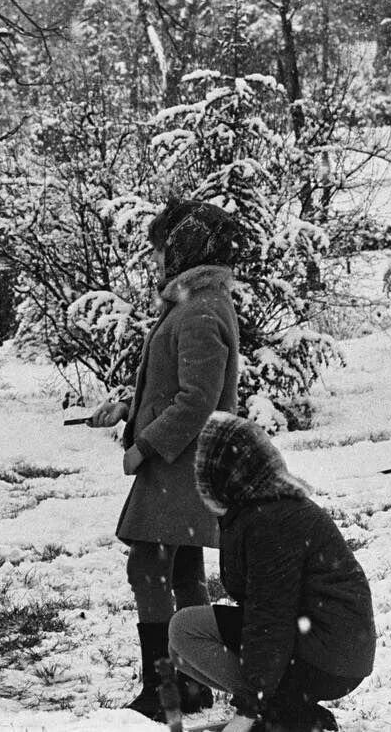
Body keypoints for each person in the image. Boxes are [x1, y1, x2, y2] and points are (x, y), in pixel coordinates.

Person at [89, 199, 240, 720]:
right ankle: (191, 682)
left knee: (148, 568)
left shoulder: (199, 311)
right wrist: (128, 407)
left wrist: (145, 445)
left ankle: (164, 688)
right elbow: (178, 387)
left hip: (179, 465)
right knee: (183, 570)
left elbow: (197, 400)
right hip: (188, 466)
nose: (154, 261)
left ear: (183, 249)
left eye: (160, 250)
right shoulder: (197, 305)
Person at [170, 412, 376, 732]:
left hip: (330, 655)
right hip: (323, 644)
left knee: (186, 629)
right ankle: (291, 712)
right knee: (180, 646)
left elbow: (270, 617)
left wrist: (249, 707)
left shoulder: (272, 519)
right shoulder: (259, 508)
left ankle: (284, 715)